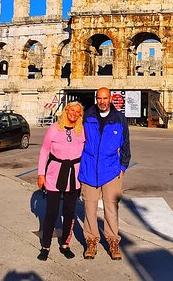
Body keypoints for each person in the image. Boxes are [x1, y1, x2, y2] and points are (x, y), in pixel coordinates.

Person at [79, 87, 131, 260]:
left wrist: (122, 168)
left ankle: (113, 241)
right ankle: (91, 241)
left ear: (110, 99)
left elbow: (126, 146)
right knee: (90, 207)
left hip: (111, 171)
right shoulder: (87, 116)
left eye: (105, 98)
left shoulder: (120, 119)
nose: (102, 101)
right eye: (99, 98)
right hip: (89, 169)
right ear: (96, 99)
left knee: (111, 208)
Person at [36, 101, 85, 261]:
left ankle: (65, 243)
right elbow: (45, 151)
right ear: (66, 110)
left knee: (70, 212)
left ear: (80, 115)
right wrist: (40, 174)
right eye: (72, 110)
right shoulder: (53, 129)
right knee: (51, 212)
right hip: (54, 174)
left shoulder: (82, 131)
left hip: (74, 175)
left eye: (77, 112)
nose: (74, 113)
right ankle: (45, 246)